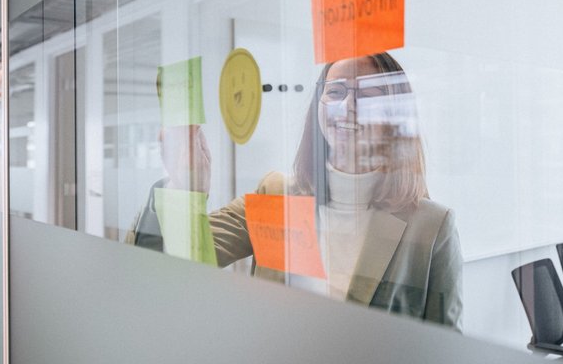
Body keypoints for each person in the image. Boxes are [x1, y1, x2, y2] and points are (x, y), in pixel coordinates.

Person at [128, 52, 462, 331]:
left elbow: (447, 346)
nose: (347, 107)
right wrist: (182, 190)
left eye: (367, 95)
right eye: (335, 92)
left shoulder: (432, 225)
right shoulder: (276, 195)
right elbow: (162, 265)